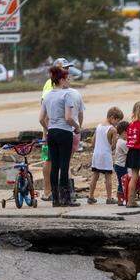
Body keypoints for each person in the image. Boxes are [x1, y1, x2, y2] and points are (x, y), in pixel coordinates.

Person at [40, 65, 84, 206]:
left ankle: (55, 199)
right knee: (64, 166)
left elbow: (41, 118)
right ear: (61, 80)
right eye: (66, 79)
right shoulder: (67, 95)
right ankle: (66, 199)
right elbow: (68, 118)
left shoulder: (47, 95)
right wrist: (77, 127)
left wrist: (48, 129)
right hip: (64, 132)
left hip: (51, 133)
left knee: (54, 166)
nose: (68, 81)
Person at [88, 107, 123, 204]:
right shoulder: (112, 129)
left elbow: (93, 142)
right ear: (112, 118)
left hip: (96, 154)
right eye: (117, 121)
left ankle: (90, 196)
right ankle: (109, 198)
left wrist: (97, 148)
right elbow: (113, 146)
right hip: (106, 155)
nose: (117, 123)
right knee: (108, 176)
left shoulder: (99, 126)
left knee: (95, 175)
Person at [113, 120, 131, 203]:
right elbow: (129, 152)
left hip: (118, 164)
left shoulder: (119, 141)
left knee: (121, 182)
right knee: (123, 182)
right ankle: (121, 199)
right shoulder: (123, 143)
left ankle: (121, 198)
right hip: (121, 165)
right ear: (124, 132)